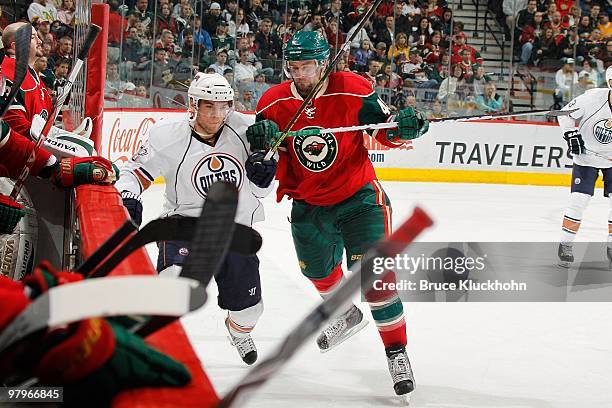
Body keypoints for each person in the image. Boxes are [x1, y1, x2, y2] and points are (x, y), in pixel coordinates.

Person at [245, 31, 429, 396]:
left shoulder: (353, 88)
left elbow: (383, 130)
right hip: (309, 206)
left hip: (358, 199)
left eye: (307, 66)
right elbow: (276, 161)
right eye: (293, 67)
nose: (299, 74)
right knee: (319, 275)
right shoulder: (272, 103)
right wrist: (261, 153)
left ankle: (396, 351)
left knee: (374, 281)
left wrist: (407, 126)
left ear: (324, 62)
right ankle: (346, 314)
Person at [115, 73, 273, 365]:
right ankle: (147, 349)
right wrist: (128, 196)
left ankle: (238, 331)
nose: (217, 114)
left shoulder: (247, 131)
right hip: (185, 225)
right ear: (193, 104)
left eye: (223, 106)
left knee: (250, 312)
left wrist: (265, 173)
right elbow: (132, 173)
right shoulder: (167, 136)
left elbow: (262, 192)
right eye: (209, 106)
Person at [0, 22, 95, 159]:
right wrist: (59, 146)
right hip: (13, 166)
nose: (40, 41)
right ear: (15, 47)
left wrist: (65, 136)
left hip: (34, 158)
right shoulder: (8, 73)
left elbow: (43, 125)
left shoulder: (35, 79)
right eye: (33, 37)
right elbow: (13, 125)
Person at [557, 66, 612, 267]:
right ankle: (566, 244)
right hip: (586, 157)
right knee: (578, 201)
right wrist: (571, 134)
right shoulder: (592, 98)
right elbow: (564, 114)